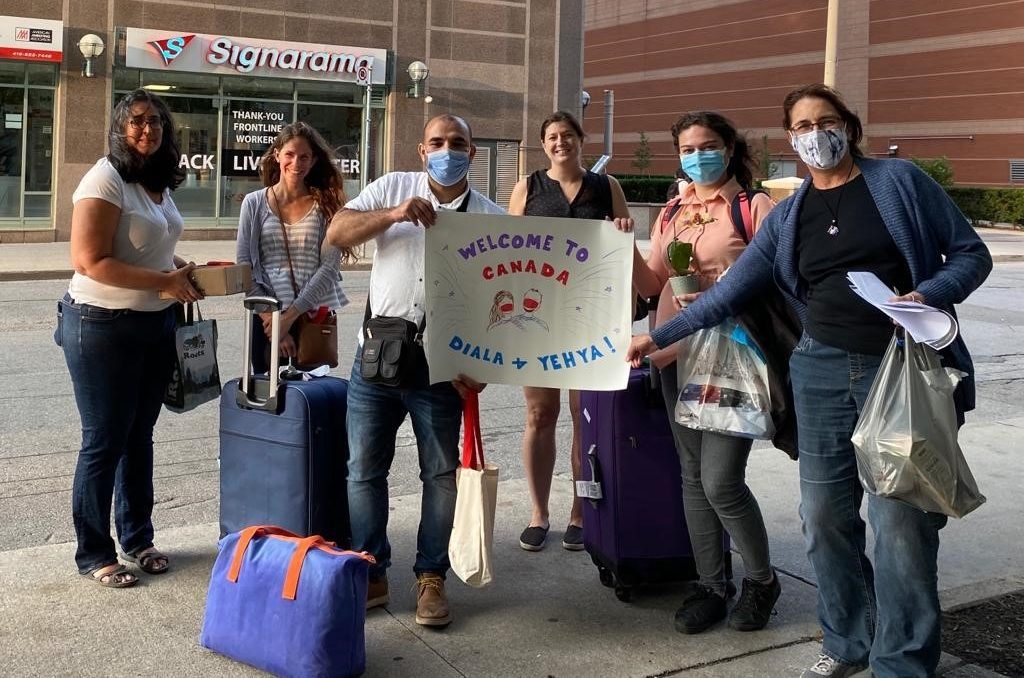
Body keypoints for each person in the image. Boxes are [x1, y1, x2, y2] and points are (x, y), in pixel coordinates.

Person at [626, 85, 992, 678]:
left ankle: (902, 662)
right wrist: (656, 338)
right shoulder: (791, 211)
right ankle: (848, 642)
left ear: (849, 127)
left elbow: (971, 255)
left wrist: (928, 295)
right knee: (824, 518)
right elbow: (732, 289)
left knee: (901, 524)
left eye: (826, 121)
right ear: (790, 140)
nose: (815, 133)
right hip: (817, 370)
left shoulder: (898, 182)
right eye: (801, 125)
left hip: (897, 368)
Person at [326, 113, 500, 628]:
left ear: (473, 152)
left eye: (459, 143)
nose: (449, 150)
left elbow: (502, 301)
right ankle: (372, 568)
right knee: (362, 471)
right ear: (422, 151)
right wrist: (395, 213)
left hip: (444, 368)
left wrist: (485, 364)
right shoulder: (393, 187)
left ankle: (431, 577)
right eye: (438, 143)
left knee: (441, 476)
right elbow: (338, 231)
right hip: (377, 357)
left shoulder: (489, 215)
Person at [631, 111, 781, 635]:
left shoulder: (753, 207)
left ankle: (761, 581)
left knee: (721, 481)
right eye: (689, 148)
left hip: (735, 357)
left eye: (709, 145)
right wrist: (618, 245)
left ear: (729, 147)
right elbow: (654, 285)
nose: (698, 155)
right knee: (692, 478)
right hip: (676, 353)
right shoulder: (674, 209)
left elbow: (778, 278)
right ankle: (711, 585)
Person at [57, 89, 202, 588]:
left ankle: (138, 538)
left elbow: (152, 248)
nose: (148, 129)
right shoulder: (104, 177)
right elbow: (90, 261)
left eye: (157, 121)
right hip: (101, 325)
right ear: (120, 126)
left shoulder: (157, 182)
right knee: (104, 441)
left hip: (155, 323)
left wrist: (180, 269)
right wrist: (165, 281)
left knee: (139, 439)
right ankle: (94, 552)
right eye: (137, 121)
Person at [507, 110, 634, 552]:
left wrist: (622, 229)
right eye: (552, 137)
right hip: (538, 316)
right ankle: (538, 512)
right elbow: (507, 248)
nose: (560, 142)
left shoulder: (607, 186)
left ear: (581, 140)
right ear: (543, 145)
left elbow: (623, 241)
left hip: (589, 318)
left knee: (585, 420)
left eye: (567, 135)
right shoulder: (527, 187)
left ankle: (580, 511)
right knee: (540, 416)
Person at [236, 122, 351, 373]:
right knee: (268, 402)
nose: (296, 163)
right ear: (277, 155)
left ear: (313, 161)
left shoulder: (326, 206)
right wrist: (274, 322)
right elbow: (244, 266)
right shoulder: (254, 204)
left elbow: (329, 269)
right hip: (265, 320)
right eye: (289, 154)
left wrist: (289, 319)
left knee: (309, 403)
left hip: (312, 317)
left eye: (304, 157)